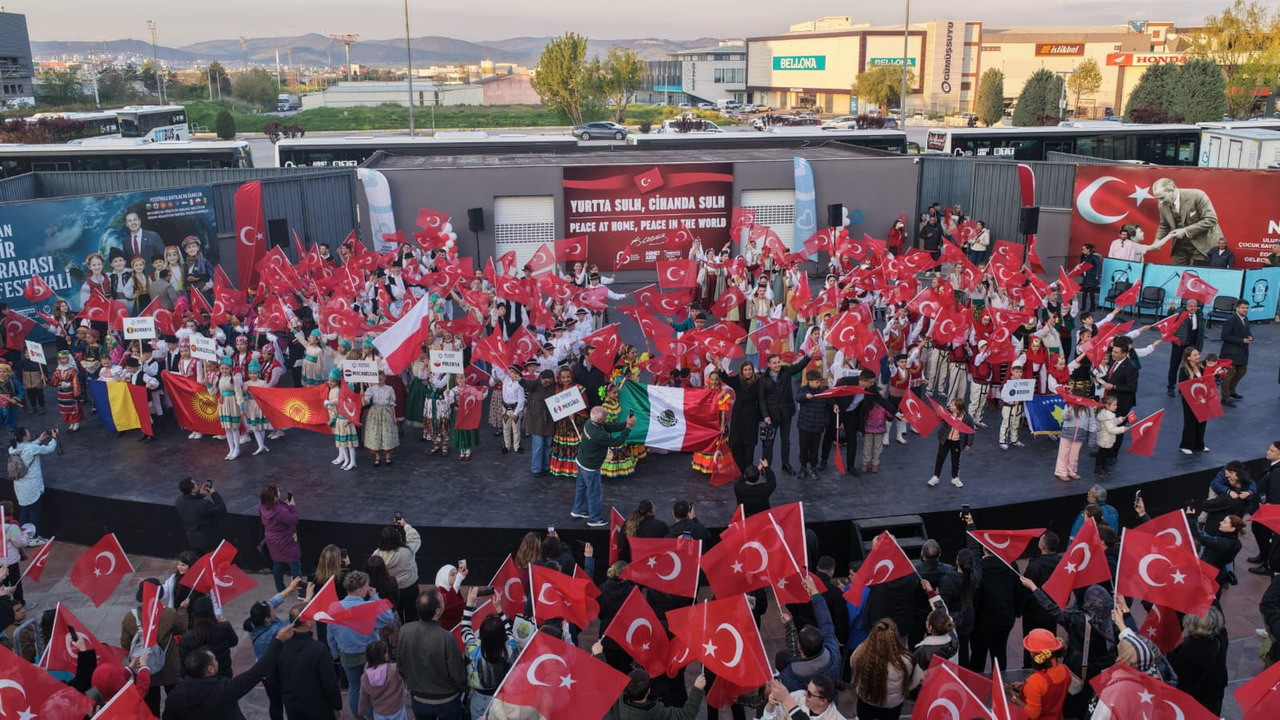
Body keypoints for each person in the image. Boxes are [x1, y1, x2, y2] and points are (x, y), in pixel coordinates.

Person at [162, 624, 291, 720]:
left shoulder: (175, 695)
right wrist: (278, 640)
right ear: (210, 669)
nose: (216, 660)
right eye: (213, 659)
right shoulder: (224, 690)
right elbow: (256, 673)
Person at [328, 570, 397, 714]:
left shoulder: (334, 608)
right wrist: (375, 597)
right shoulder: (369, 607)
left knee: (354, 687)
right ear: (360, 590)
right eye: (366, 586)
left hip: (347, 654)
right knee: (374, 686)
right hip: (370, 655)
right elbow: (388, 618)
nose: (368, 588)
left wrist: (335, 654)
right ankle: (372, 715)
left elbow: (331, 635)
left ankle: (358, 715)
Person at [398, 589, 468, 720]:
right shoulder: (446, 637)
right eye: (442, 602)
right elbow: (458, 675)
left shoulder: (405, 631)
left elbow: (400, 665)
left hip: (418, 699)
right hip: (447, 702)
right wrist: (463, 689)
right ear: (437, 611)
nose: (444, 603)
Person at [122, 577, 190, 713]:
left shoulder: (130, 617)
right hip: (168, 668)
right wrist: (182, 610)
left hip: (144, 668)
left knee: (151, 707)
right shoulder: (169, 614)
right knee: (176, 704)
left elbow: (125, 643)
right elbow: (182, 628)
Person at [274, 605, 343, 720]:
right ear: (308, 623)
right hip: (318, 708)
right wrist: (336, 705)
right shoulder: (318, 649)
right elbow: (330, 683)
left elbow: (276, 679)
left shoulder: (279, 647)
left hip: (293, 707)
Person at [572, 404, 635, 527]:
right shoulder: (599, 435)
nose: (607, 417)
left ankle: (577, 510)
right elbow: (617, 442)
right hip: (590, 467)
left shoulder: (590, 422)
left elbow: (608, 426)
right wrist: (627, 429)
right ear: (600, 419)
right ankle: (594, 519)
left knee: (581, 487)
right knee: (595, 493)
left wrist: (625, 424)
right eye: (606, 416)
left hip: (581, 460)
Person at [460, 587, 518, 720]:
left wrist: (469, 604)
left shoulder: (472, 647)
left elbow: (465, 628)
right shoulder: (510, 646)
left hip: (478, 699)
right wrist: (499, 609)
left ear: (481, 635)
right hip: (501, 699)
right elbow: (509, 631)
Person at [777, 576, 841, 691]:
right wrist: (814, 593)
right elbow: (826, 622)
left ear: (799, 647)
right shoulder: (833, 652)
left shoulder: (788, 676)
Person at [849, 618, 914, 720]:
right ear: (895, 637)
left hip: (866, 700)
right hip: (891, 706)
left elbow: (853, 664)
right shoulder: (906, 661)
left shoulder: (860, 653)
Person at [1168, 606, 1229, 715]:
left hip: (1196, 698)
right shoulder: (1221, 637)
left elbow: (1178, 675)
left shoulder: (1190, 649)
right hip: (1215, 693)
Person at [759, 352, 811, 475]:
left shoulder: (786, 371)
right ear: (769, 365)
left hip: (786, 413)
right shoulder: (763, 379)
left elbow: (799, 366)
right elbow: (762, 399)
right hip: (771, 416)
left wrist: (809, 356)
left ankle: (785, 463)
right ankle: (765, 466)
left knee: (786, 440)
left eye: (778, 362)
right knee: (768, 442)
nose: (777, 365)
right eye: (774, 363)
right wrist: (765, 415)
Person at [1153, 177, 1224, 266]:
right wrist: (1157, 241)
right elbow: (1164, 225)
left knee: (1198, 275)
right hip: (1180, 245)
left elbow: (1211, 219)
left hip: (1203, 244)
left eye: (1162, 198)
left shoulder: (1198, 195)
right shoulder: (1163, 205)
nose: (1160, 202)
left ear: (1173, 191)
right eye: (1157, 198)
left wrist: (1185, 231)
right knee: (1176, 273)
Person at [7, 427, 57, 543]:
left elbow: (28, 448)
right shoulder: (31, 448)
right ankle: (32, 537)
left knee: (24, 511)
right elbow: (49, 449)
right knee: (34, 512)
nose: (29, 433)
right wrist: (54, 438)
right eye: (28, 432)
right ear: (25, 436)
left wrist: (39, 440)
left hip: (19, 486)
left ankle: (22, 537)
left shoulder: (13, 448)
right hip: (32, 486)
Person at [179, 596, 240, 680]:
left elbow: (184, 664)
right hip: (223, 675)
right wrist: (225, 623)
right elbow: (234, 642)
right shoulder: (224, 628)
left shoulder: (187, 638)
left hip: (199, 679)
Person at [611, 667, 708, 720]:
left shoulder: (617, 704)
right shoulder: (657, 713)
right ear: (648, 691)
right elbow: (685, 715)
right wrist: (697, 689)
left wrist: (599, 656)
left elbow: (602, 682)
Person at [374, 519, 422, 623]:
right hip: (410, 587)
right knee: (412, 614)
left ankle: (399, 635)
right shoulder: (407, 551)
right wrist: (406, 525)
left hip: (390, 589)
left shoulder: (377, 555)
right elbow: (415, 539)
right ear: (397, 538)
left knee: (395, 614)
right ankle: (411, 635)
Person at [1017, 629, 1070, 720]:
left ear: (1033, 653)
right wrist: (1023, 687)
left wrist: (1013, 696)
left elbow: (1032, 715)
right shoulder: (1065, 670)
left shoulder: (1036, 681)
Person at [258, 484, 301, 593]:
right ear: (275, 498)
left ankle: (280, 589)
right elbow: (294, 519)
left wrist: (284, 506)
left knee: (277, 562)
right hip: (285, 540)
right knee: (294, 562)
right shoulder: (280, 512)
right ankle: (301, 590)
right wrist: (292, 506)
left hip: (271, 540)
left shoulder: (262, 506)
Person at [359, 640, 410, 720]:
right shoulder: (394, 670)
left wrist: (362, 712)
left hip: (379, 712)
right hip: (396, 709)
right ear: (383, 655)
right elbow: (407, 675)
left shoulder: (365, 677)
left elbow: (363, 697)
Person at [520, 370, 557, 476]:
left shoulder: (553, 385)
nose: (548, 384)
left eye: (550, 382)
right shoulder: (535, 384)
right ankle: (536, 468)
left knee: (547, 445)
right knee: (538, 445)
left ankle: (546, 466)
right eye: (546, 382)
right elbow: (526, 383)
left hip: (549, 418)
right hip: (536, 418)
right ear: (541, 378)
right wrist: (519, 379)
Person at [174, 477, 226, 555]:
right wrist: (214, 493)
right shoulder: (204, 504)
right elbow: (221, 509)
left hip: (193, 541)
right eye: (195, 484)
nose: (197, 485)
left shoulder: (179, 501)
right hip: (209, 541)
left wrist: (199, 494)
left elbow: (192, 504)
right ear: (192, 490)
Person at [929, 398, 973, 488]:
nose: (951, 406)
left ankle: (955, 478)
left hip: (957, 442)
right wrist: (940, 413)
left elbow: (970, 431)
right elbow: (939, 418)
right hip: (945, 440)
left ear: (958, 407)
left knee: (956, 460)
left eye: (953, 405)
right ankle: (936, 477)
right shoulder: (947, 413)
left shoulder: (967, 418)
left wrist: (969, 444)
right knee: (940, 459)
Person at [1166, 299, 1205, 396]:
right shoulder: (1180, 313)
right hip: (1179, 345)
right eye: (1191, 306)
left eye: (1195, 306)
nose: (1193, 308)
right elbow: (1170, 318)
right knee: (1174, 367)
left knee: (1189, 368)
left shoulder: (1199, 316)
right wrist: (1171, 309)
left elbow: (1200, 333)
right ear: (1186, 306)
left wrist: (1198, 348)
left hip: (1192, 347)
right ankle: (1171, 387)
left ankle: (1183, 387)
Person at [762, 675, 842, 720]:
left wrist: (786, 699)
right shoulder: (797, 696)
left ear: (823, 701)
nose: (804, 695)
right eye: (807, 689)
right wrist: (771, 705)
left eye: (809, 694)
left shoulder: (835, 718)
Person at [1218, 300, 1251, 406]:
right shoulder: (1231, 320)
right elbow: (1225, 336)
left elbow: (1247, 332)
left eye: (1246, 308)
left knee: (1242, 371)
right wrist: (1241, 340)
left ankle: (1231, 390)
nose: (1245, 310)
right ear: (1237, 308)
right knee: (1228, 375)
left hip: (1242, 352)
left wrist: (1250, 337)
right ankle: (1225, 397)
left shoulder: (1245, 319)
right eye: (1243, 308)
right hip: (1230, 353)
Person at [1055, 403, 1096, 482]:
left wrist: (1092, 436)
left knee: (1074, 455)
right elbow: (1063, 417)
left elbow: (1092, 423)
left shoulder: (1088, 408)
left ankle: (1072, 471)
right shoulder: (1069, 405)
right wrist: (1066, 415)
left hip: (1080, 435)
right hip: (1067, 434)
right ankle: (1061, 472)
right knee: (1063, 454)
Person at [1093, 396, 1129, 479]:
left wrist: (1120, 419)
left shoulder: (1108, 415)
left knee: (1104, 454)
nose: (1116, 406)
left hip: (1106, 439)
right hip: (1106, 439)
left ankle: (1104, 467)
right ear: (1107, 405)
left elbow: (1113, 422)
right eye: (1114, 405)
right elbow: (1111, 429)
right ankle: (1098, 469)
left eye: (1116, 405)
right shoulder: (1108, 417)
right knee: (1102, 455)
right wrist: (1123, 429)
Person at [1079, 243, 1102, 312]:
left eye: (1084, 249)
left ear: (1088, 249)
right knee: (1084, 293)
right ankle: (1083, 307)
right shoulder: (1083, 256)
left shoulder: (1094, 257)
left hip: (1092, 276)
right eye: (1082, 249)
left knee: (1091, 293)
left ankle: (1092, 307)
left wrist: (1096, 274)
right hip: (1086, 276)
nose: (1082, 251)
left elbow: (1098, 265)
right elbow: (1081, 264)